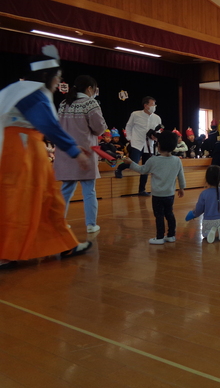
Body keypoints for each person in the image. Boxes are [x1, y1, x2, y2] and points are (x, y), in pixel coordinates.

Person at [0, 45, 93, 269]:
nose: (58, 81)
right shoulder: (34, 94)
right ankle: (8, 253)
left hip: (17, 149)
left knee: (43, 200)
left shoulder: (14, 90)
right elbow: (48, 125)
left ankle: (63, 244)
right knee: (27, 201)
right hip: (23, 152)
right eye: (56, 77)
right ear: (45, 76)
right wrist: (73, 151)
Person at [54, 75, 108, 233]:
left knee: (66, 189)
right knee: (89, 190)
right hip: (85, 151)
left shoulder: (63, 103)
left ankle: (59, 222)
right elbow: (99, 128)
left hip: (66, 151)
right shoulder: (90, 103)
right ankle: (91, 224)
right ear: (90, 88)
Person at [124, 131, 186, 244]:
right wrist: (182, 188)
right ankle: (171, 235)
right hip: (170, 194)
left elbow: (142, 170)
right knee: (169, 214)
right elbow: (181, 175)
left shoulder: (153, 160)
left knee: (159, 216)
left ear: (159, 145)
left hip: (157, 195)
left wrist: (131, 163)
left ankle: (159, 237)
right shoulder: (177, 160)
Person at [115, 96, 162, 196]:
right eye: (152, 104)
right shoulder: (135, 114)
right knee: (134, 162)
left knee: (146, 167)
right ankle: (119, 168)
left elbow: (158, 132)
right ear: (146, 105)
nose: (154, 106)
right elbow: (129, 126)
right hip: (136, 143)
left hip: (149, 145)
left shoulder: (157, 118)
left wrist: (155, 137)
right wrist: (129, 138)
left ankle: (142, 190)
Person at [186, 165, 220, 243]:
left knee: (205, 233)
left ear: (206, 179)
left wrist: (193, 214)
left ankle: (210, 232)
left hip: (210, 221)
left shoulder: (204, 193)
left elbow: (199, 209)